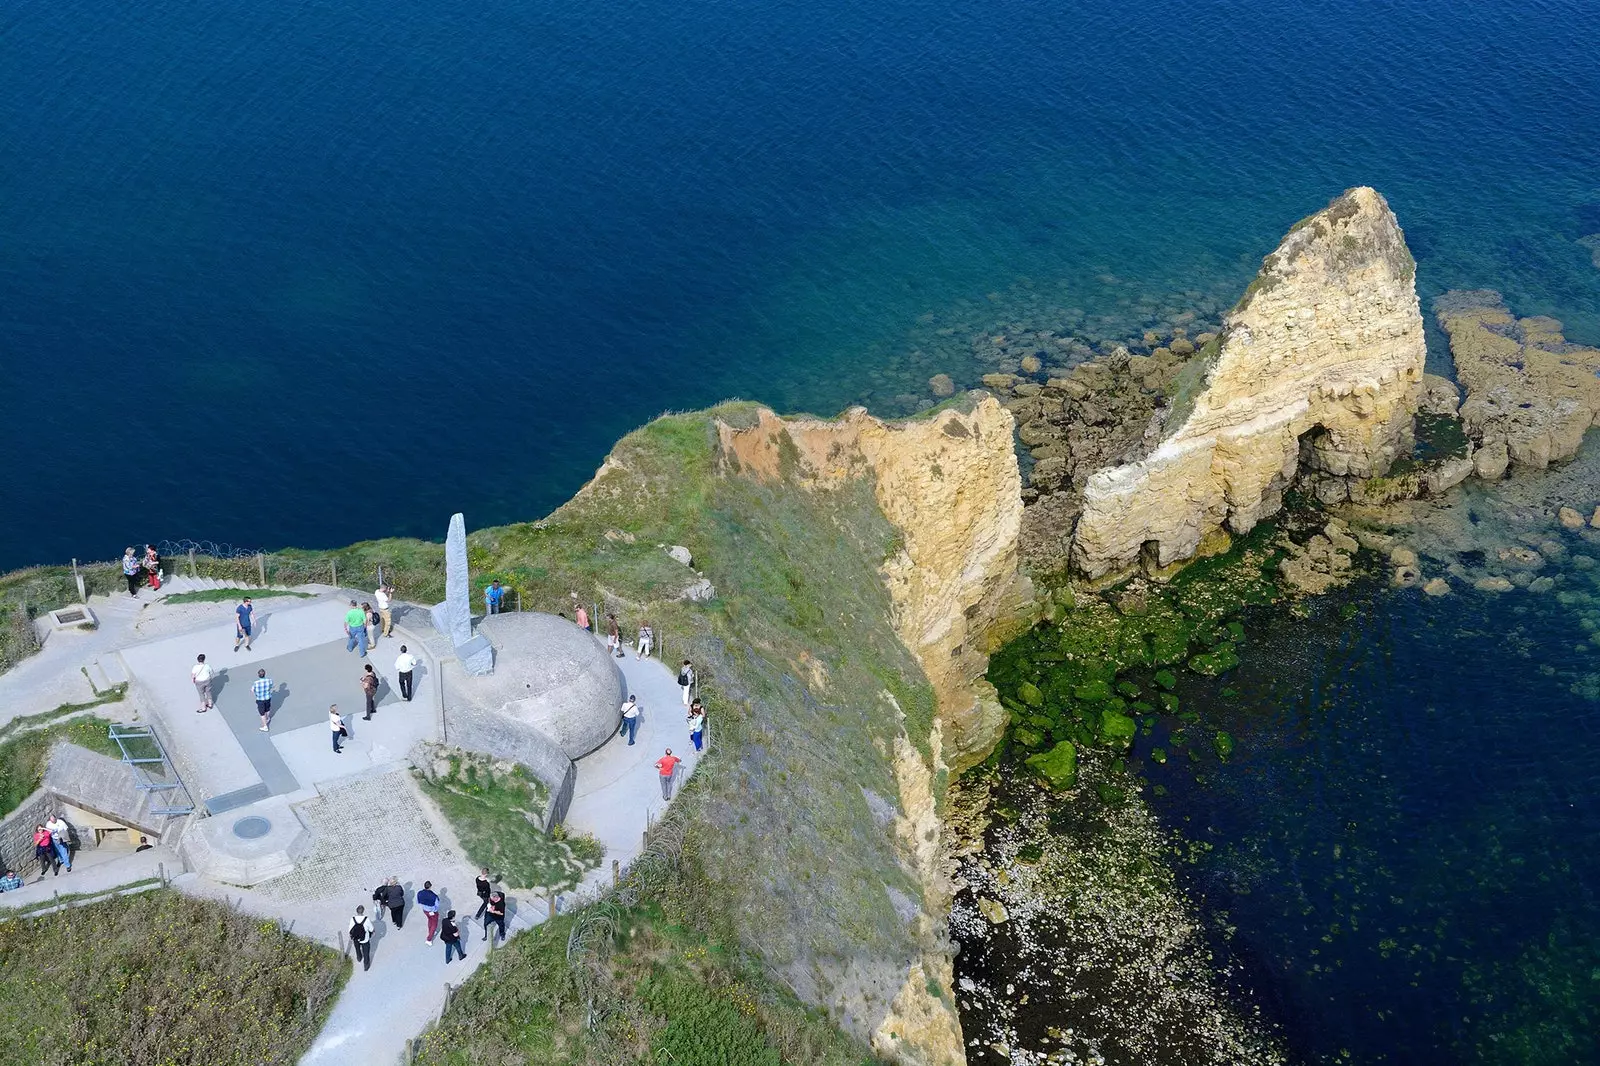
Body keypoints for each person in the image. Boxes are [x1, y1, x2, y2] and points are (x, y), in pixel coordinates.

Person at [349, 905, 375, 971]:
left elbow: (350, 929)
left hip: (356, 938)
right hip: (365, 939)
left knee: (357, 948)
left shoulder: (353, 919)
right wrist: (373, 932)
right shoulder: (366, 919)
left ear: (356, 911)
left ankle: (359, 957)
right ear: (363, 911)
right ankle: (366, 965)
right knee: (366, 952)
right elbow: (371, 929)